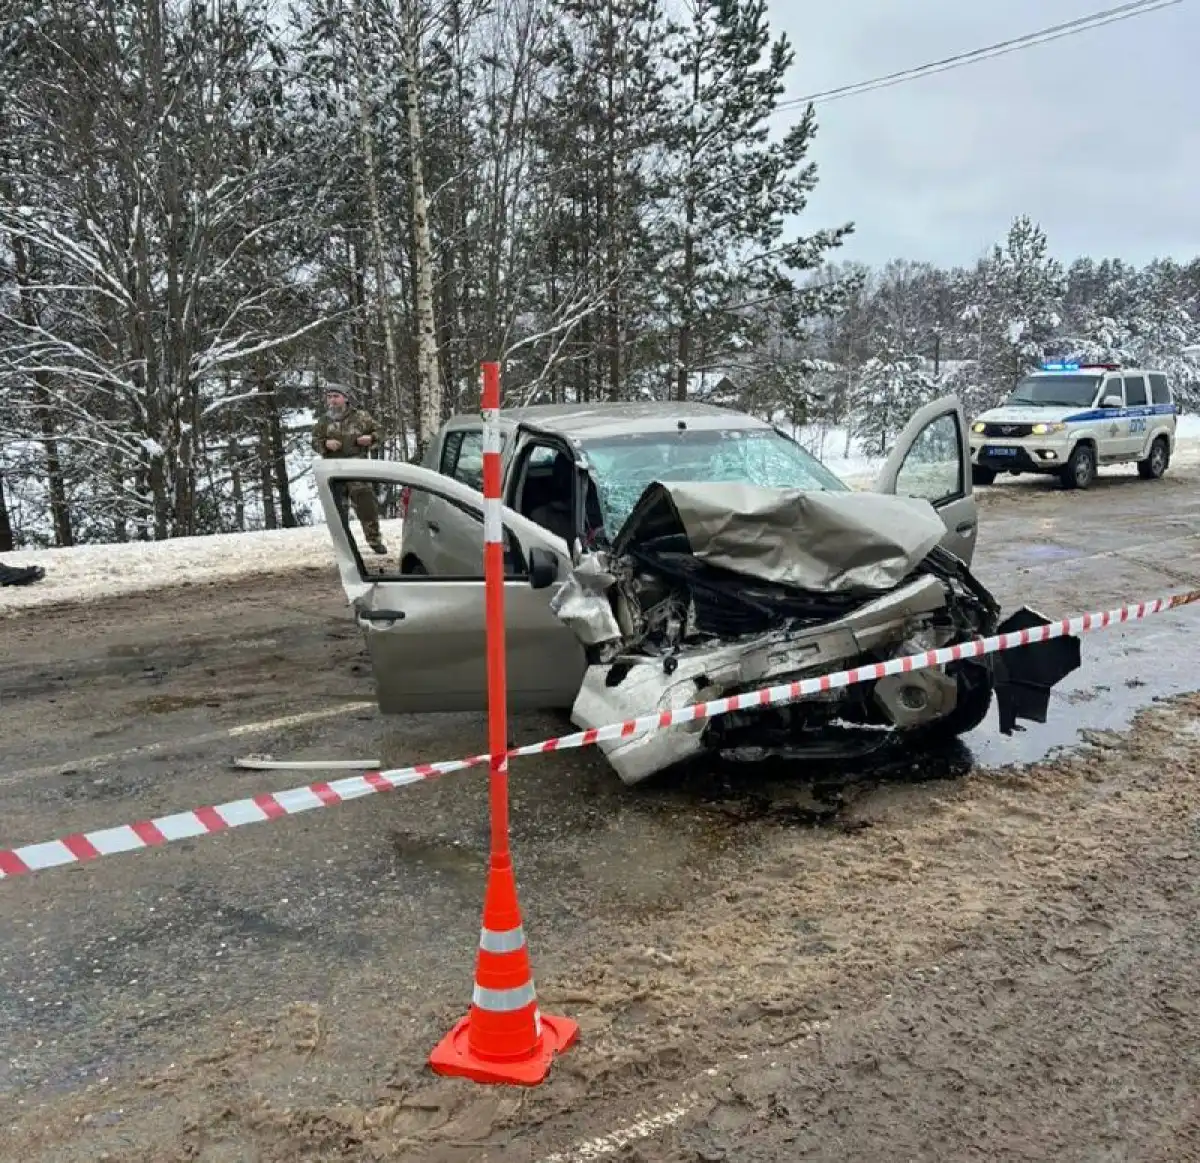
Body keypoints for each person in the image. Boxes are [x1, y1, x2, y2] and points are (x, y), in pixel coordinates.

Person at [311, 383, 388, 555]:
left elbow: (381, 431)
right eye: (329, 397)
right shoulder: (324, 421)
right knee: (338, 511)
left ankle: (374, 540)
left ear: (345, 398)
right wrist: (325, 444)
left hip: (357, 468)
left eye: (336, 396)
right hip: (334, 470)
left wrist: (371, 438)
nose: (332, 400)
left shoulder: (361, 417)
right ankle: (344, 547)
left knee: (367, 506)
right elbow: (314, 441)